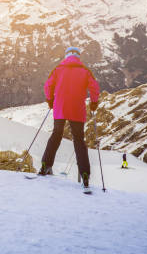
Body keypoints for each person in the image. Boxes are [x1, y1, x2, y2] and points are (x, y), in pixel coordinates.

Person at [39, 46, 100, 189]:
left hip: (60, 108)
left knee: (56, 135)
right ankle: (85, 174)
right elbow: (94, 88)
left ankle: (45, 165)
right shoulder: (85, 71)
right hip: (77, 110)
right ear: (78, 57)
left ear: (66, 56)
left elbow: (48, 86)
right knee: (78, 140)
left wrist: (50, 100)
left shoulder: (58, 69)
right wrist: (94, 103)